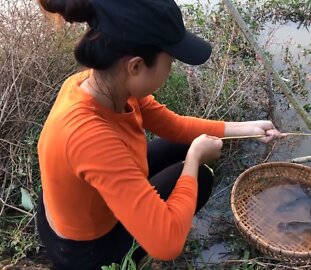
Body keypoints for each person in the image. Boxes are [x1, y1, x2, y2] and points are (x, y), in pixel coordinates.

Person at [35, 0, 283, 269]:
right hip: (85, 250)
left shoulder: (101, 85)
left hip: (83, 204)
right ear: (135, 66)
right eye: (170, 62)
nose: (171, 69)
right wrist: (193, 160)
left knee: (179, 144)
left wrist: (248, 128)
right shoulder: (89, 137)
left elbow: (174, 126)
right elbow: (167, 244)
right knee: (198, 177)